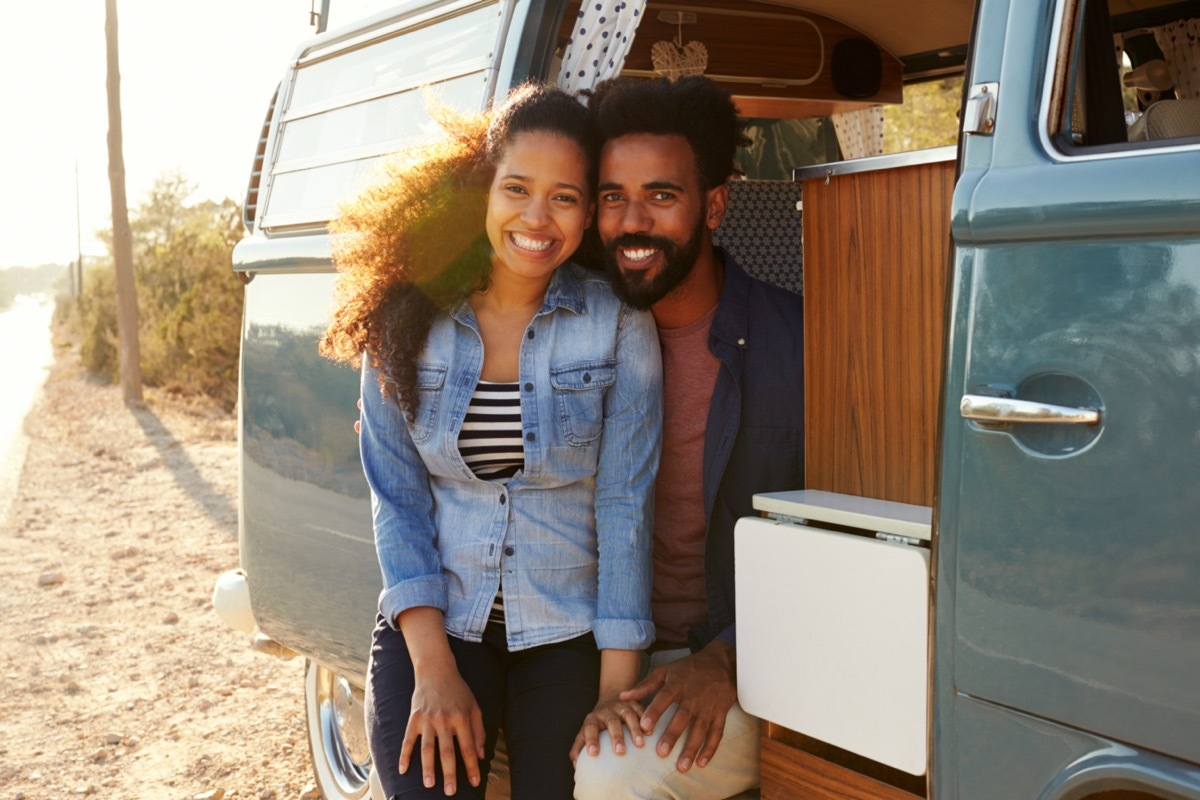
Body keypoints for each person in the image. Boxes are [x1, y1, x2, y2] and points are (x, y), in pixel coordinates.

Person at [321, 82, 662, 799]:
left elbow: (625, 505)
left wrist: (616, 693)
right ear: (481, 189)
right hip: (440, 628)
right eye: (517, 188)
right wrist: (434, 671)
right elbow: (398, 498)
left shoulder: (617, 326)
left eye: (565, 197)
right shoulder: (404, 317)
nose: (537, 218)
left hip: (567, 636)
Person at [571, 75, 806, 799]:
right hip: (594, 647)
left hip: (752, 660)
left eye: (661, 196)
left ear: (714, 204)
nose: (632, 222)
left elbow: (856, 537)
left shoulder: (802, 340)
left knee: (614, 777)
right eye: (613, 196)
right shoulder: (566, 332)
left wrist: (727, 662)